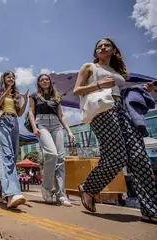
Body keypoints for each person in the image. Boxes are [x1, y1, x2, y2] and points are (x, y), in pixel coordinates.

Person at [73, 38, 157, 223]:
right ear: (95, 52)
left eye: (107, 45)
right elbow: (77, 90)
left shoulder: (118, 73)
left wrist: (143, 88)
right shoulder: (89, 67)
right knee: (116, 157)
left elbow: (122, 91)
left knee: (139, 157)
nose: (102, 47)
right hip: (103, 110)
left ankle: (151, 209)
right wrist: (99, 85)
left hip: (122, 110)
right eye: (99, 46)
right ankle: (89, 188)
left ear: (113, 50)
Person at [28, 74, 75, 206]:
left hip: (56, 125)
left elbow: (61, 115)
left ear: (50, 81)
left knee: (61, 159)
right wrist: (34, 127)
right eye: (42, 79)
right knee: (52, 154)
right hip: (41, 123)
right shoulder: (34, 96)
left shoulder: (56, 96)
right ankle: (46, 187)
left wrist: (69, 131)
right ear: (38, 82)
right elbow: (31, 112)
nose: (45, 81)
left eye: (47, 79)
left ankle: (61, 194)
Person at [0, 71, 29, 208]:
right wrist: (4, 95)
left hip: (14, 123)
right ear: (4, 79)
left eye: (13, 77)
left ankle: (2, 193)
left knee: (12, 158)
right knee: (6, 156)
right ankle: (13, 194)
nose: (11, 78)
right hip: (2, 122)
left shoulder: (16, 95)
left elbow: (19, 113)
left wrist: (24, 101)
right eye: (8, 77)